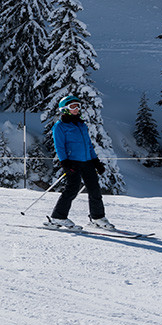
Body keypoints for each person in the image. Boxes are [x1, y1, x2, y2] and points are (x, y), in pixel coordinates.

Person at [48, 95, 115, 230]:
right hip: (73, 162)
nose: (76, 109)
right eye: (73, 106)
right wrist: (65, 163)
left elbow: (88, 145)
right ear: (65, 109)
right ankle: (58, 217)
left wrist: (96, 161)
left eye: (78, 106)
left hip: (87, 161)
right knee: (72, 189)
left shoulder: (81, 124)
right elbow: (59, 146)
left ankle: (97, 218)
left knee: (94, 189)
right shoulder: (60, 126)